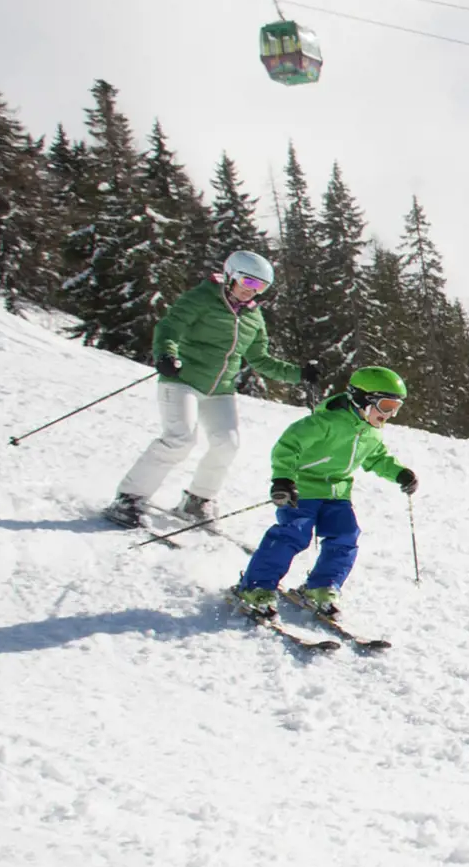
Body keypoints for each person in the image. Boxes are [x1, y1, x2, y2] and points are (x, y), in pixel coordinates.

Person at [106, 250, 311, 528]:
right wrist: (166, 354)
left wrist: (300, 374)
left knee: (228, 443)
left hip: (220, 390)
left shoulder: (253, 317)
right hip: (183, 380)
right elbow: (170, 327)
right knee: (179, 439)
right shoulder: (202, 298)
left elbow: (260, 359)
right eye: (248, 282)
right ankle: (128, 498)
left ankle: (197, 500)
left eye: (260, 287)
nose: (252, 291)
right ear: (231, 276)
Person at [230, 367, 416, 620]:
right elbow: (288, 445)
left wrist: (400, 473)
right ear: (362, 399)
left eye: (396, 408)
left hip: (337, 494)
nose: (390, 414)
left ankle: (322, 586)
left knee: (345, 535)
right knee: (293, 534)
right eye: (386, 406)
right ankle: (255, 587)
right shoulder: (326, 422)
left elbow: (376, 458)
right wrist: (283, 479)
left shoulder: (371, 431)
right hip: (302, 489)